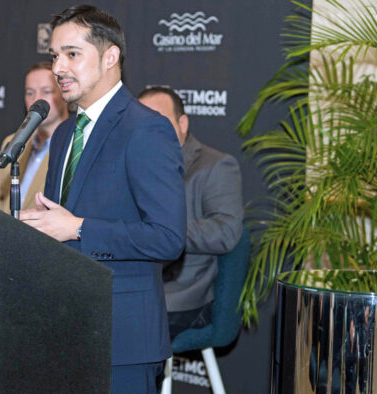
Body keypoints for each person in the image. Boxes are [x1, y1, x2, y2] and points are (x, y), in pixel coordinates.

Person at [20, 6, 186, 393]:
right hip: (63, 330)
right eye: (55, 55)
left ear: (110, 57)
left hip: (122, 339)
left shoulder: (147, 129)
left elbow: (167, 237)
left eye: (72, 54)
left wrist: (77, 228)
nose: (58, 67)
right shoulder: (63, 134)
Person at [138, 86, 244, 338]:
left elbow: (226, 232)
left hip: (182, 295)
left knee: (119, 325)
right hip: (135, 281)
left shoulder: (215, 165)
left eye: (158, 121)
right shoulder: (133, 164)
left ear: (182, 123)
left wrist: (164, 230)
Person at [0, 61, 69, 212]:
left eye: (46, 91)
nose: (36, 99)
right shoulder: (12, 142)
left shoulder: (73, 148)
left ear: (64, 93)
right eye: (30, 93)